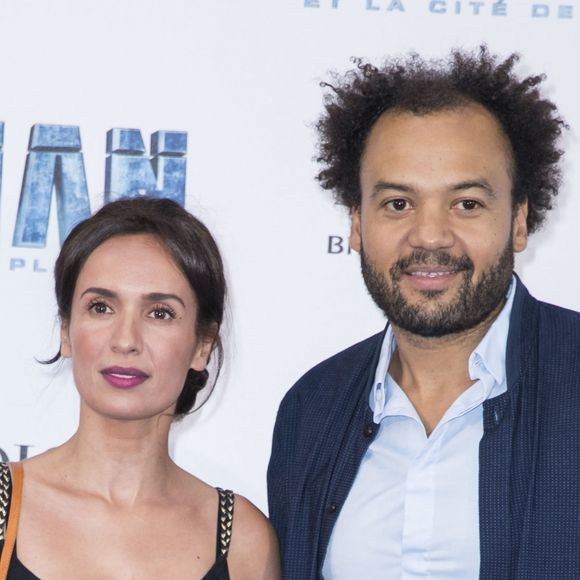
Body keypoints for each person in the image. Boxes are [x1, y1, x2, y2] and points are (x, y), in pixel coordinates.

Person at [267, 46, 580, 579]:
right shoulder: (311, 411)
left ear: (520, 221)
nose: (430, 235)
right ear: (358, 224)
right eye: (397, 203)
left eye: (466, 204)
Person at [0, 197, 280, 579]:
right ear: (66, 330)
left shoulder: (242, 541)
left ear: (203, 345)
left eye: (159, 313)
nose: (126, 339)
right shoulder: (4, 502)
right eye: (101, 307)